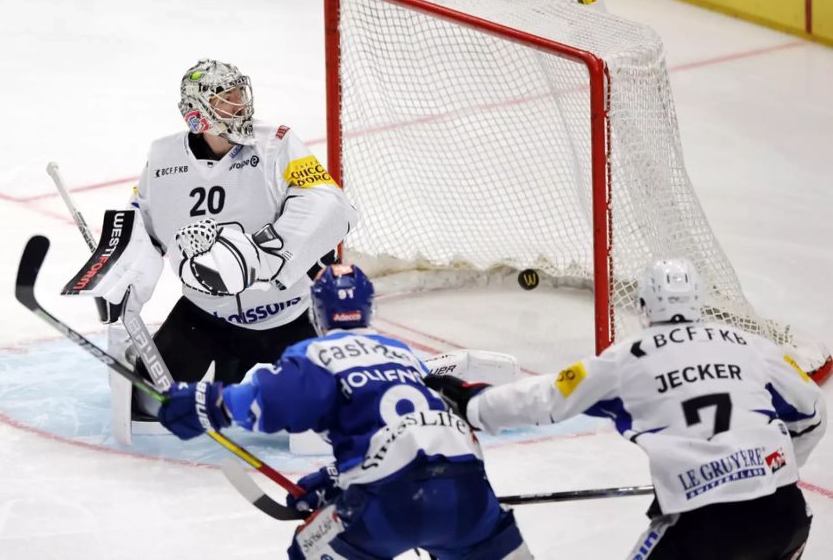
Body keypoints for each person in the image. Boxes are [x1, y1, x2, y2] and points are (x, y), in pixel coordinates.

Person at [426, 258, 826, 560]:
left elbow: (548, 398)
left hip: (705, 529)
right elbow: (812, 413)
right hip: (785, 516)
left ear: (643, 305)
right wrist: (773, 466)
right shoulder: (753, 346)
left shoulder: (628, 360)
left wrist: (474, 403)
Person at [157, 264, 532, 560]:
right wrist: (336, 479)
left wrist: (208, 403)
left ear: (317, 313)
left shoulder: (318, 354)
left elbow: (274, 401)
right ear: (369, 309)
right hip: (468, 490)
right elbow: (404, 429)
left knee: (309, 548)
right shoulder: (406, 355)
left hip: (387, 502)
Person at [83, 58, 357, 392]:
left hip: (292, 315)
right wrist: (120, 280)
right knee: (148, 405)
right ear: (195, 113)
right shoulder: (163, 159)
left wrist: (259, 258)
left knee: (330, 410)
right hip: (207, 318)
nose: (239, 105)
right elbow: (142, 230)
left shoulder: (276, 143)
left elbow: (328, 204)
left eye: (239, 93)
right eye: (224, 99)